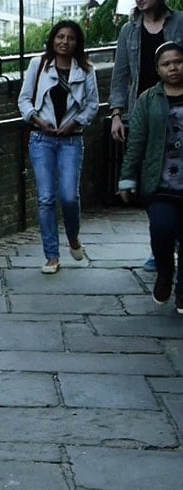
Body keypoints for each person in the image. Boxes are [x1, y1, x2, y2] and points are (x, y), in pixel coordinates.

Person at [18, 20, 99, 274]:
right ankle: (51, 256)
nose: (65, 42)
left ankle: (73, 236)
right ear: (53, 39)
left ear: (78, 42)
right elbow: (23, 99)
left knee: (68, 195)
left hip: (71, 140)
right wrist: (37, 119)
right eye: (60, 37)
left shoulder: (86, 69)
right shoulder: (38, 65)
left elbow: (92, 105)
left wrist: (74, 122)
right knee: (45, 198)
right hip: (41, 139)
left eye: (71, 38)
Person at [108, 0, 183, 271]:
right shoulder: (129, 30)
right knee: (152, 181)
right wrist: (117, 113)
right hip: (145, 112)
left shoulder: (179, 22)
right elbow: (121, 73)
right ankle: (160, 246)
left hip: (177, 108)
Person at [118, 40, 183, 313]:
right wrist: (127, 178)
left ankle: (182, 290)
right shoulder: (148, 99)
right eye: (166, 64)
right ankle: (165, 274)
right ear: (157, 69)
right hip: (160, 182)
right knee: (161, 231)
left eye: (178, 62)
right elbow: (136, 142)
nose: (173, 68)